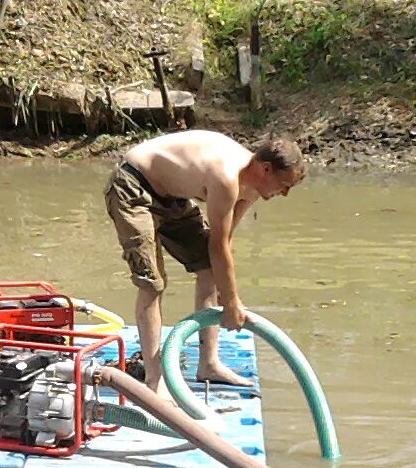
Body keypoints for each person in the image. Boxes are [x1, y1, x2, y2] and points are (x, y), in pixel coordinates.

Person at [104, 129, 306, 389]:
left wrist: (227, 291)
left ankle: (209, 364)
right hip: (133, 185)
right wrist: (232, 303)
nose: (285, 194)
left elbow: (222, 243)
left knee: (209, 267)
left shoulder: (253, 187)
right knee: (152, 283)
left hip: (172, 198)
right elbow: (219, 244)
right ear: (265, 169)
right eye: (284, 185)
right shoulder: (226, 176)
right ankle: (155, 379)